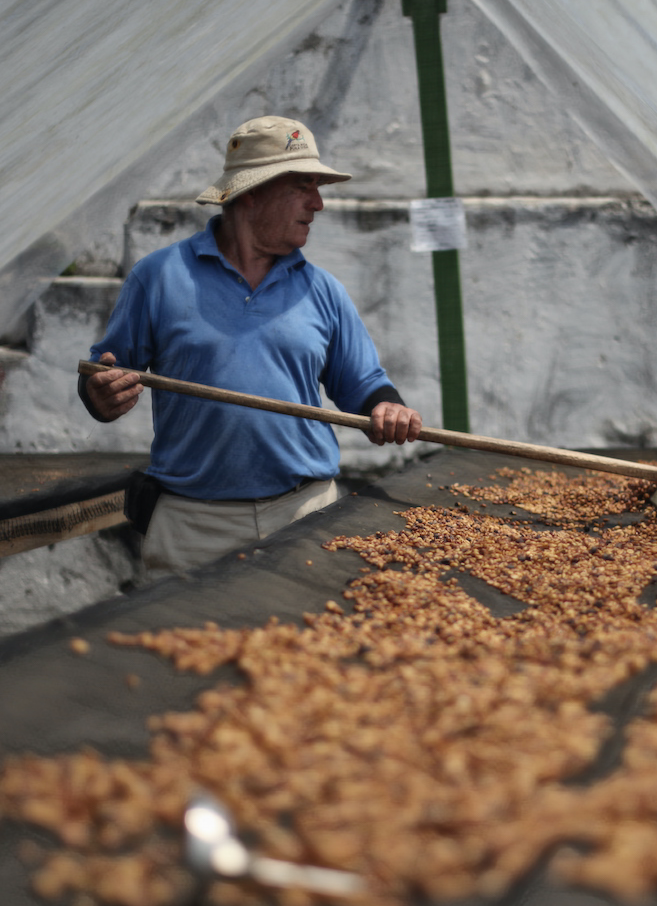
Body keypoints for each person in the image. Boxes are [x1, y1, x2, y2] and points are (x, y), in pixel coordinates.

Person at [80, 115, 422, 578]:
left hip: (305, 513)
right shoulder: (159, 278)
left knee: (307, 649)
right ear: (252, 191)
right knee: (183, 648)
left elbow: (363, 384)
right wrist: (101, 394)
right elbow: (106, 375)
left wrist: (389, 409)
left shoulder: (322, 290)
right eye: (304, 186)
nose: (318, 203)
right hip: (193, 525)